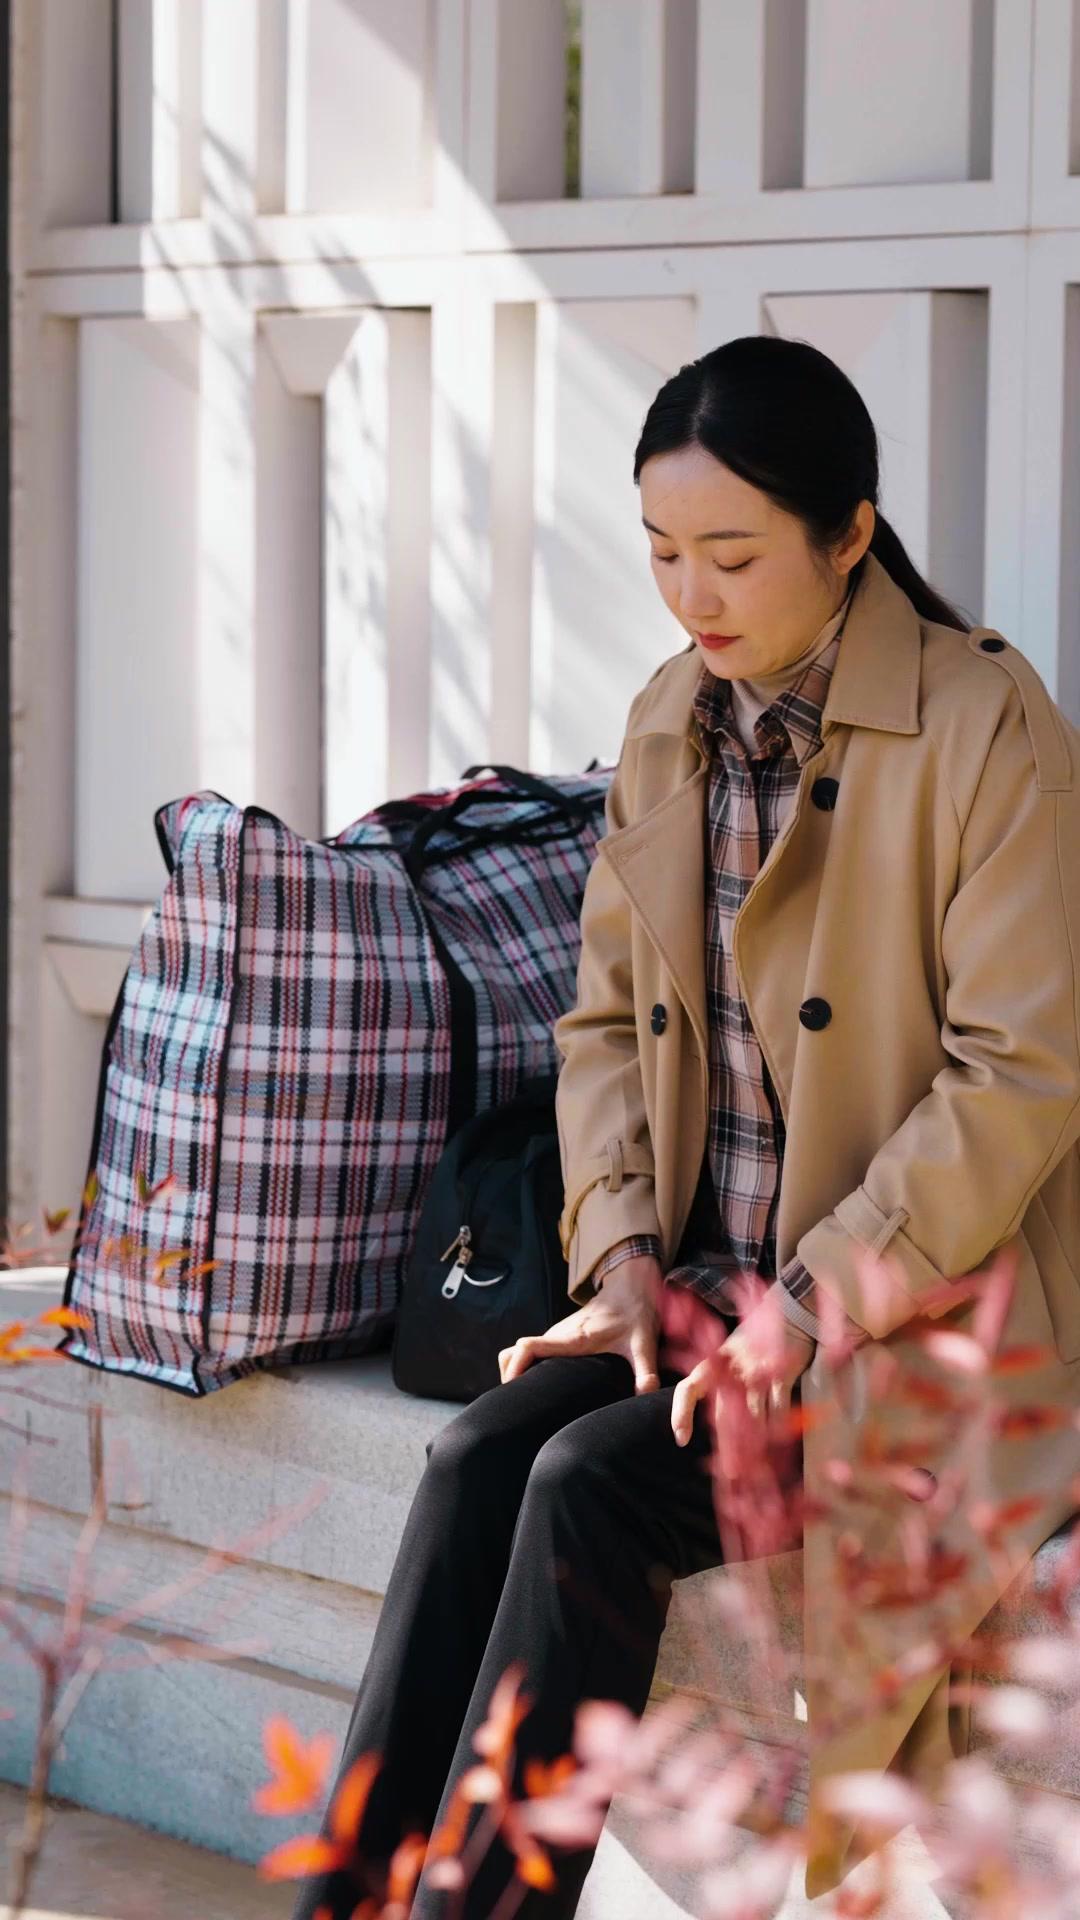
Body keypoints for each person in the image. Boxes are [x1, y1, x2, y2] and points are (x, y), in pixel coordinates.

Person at [293, 334, 1080, 1918]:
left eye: (732, 553)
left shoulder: (991, 732)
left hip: (905, 1323)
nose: (692, 594)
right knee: (468, 1466)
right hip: (709, 1297)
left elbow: (1021, 1073)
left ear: (850, 532)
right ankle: (350, 1900)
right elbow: (598, 1026)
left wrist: (807, 1308)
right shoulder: (672, 720)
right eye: (662, 551)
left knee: (588, 1487)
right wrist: (623, 1255)